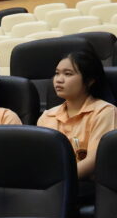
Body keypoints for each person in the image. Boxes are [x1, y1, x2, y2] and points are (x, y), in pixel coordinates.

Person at [38, 50, 117, 179]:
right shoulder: (47, 116)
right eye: (57, 73)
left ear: (90, 80)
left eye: (68, 74)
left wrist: (58, 180)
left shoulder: (104, 111)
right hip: (52, 185)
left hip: (88, 185)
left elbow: (94, 161)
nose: (59, 80)